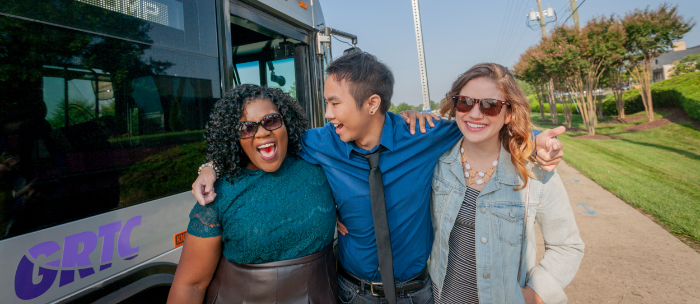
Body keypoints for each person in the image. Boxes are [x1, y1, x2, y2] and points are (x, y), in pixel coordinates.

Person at [193, 52, 566, 304]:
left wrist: (536, 140)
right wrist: (211, 164)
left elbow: (481, 125)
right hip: (352, 293)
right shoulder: (320, 143)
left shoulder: (424, 135)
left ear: (371, 103)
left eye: (334, 103)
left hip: (419, 293)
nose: (327, 114)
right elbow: (262, 139)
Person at [428, 63, 584, 304]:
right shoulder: (436, 161)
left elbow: (567, 246)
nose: (475, 114)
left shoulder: (533, 172)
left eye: (490, 106)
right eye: (465, 102)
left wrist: (535, 295)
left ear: (509, 113)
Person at [167, 84, 338, 304]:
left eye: (271, 121)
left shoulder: (318, 166)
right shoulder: (218, 194)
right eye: (247, 128)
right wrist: (210, 167)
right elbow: (191, 285)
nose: (262, 132)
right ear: (234, 138)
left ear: (286, 122)